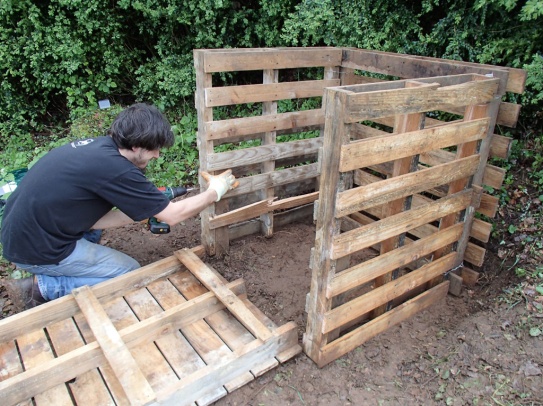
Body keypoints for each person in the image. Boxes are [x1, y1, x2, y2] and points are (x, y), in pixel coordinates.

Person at [0, 103, 237, 311]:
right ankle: (41, 287)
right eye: (153, 149)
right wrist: (215, 191)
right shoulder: (117, 171)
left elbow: (95, 220)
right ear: (135, 146)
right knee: (128, 273)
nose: (157, 155)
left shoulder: (102, 149)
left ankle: (58, 269)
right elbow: (173, 215)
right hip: (37, 250)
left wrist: (143, 212)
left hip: (23, 233)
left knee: (94, 233)